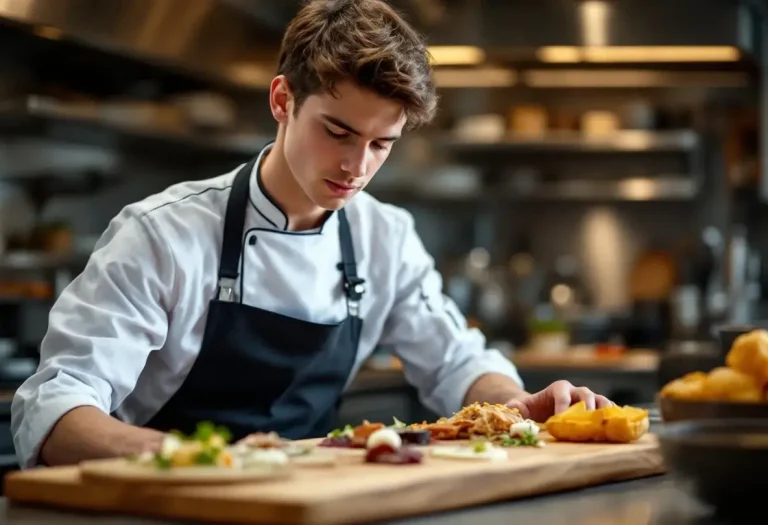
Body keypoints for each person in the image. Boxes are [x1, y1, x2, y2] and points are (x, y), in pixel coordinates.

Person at [11, 0, 611, 468]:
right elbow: (54, 406)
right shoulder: (163, 235)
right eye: (338, 131)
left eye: (382, 144)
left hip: (311, 504)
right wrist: (198, 462)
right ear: (282, 100)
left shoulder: (385, 239)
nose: (357, 166)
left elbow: (455, 360)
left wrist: (514, 405)